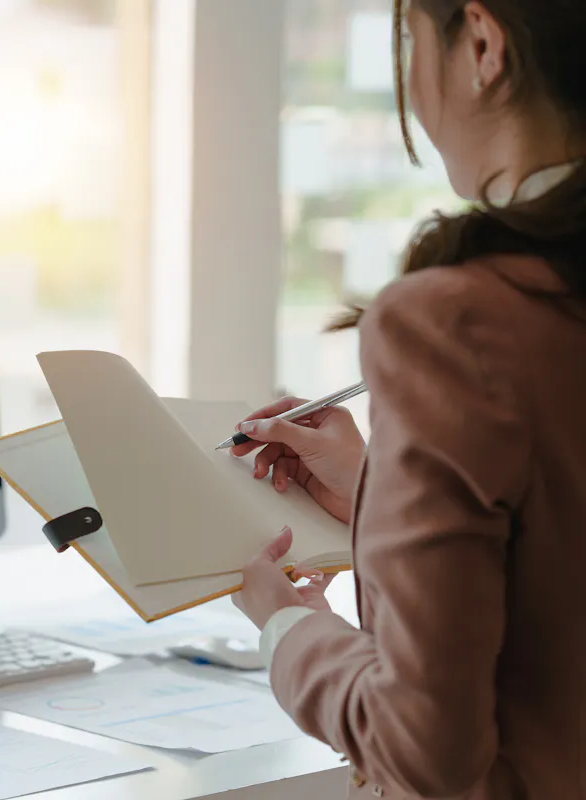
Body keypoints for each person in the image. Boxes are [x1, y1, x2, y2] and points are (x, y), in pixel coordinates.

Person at [229, 1, 586, 798]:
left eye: (408, 37)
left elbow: (425, 749)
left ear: (483, 44)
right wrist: (381, 498)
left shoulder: (459, 320)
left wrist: (288, 629)